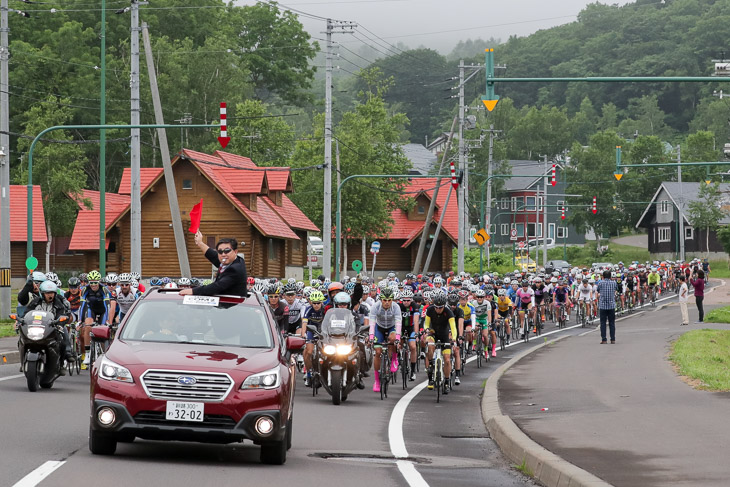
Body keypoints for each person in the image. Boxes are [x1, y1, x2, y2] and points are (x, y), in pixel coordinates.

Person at [180, 232, 248, 297]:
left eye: (227, 251)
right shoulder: (233, 261)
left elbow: (218, 286)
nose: (223, 254)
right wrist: (200, 243)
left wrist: (193, 291)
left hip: (233, 306)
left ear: (235, 252)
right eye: (220, 251)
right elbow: (213, 255)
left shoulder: (235, 269)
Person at [25, 281, 75, 367]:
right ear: (42, 293)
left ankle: (65, 357)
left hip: (53, 327)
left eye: (52, 293)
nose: (50, 295)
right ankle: (24, 360)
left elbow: (61, 315)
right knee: (23, 340)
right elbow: (27, 313)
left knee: (62, 342)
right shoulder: (35, 302)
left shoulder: (58, 304)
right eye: (47, 293)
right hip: (37, 327)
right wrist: (21, 321)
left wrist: (60, 324)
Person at [595, 269, 618, 344]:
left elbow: (598, 290)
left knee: (603, 323)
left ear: (603, 276)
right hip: (611, 305)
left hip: (603, 305)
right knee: (612, 323)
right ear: (610, 276)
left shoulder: (600, 283)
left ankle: (604, 339)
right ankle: (613, 339)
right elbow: (616, 289)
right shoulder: (614, 283)